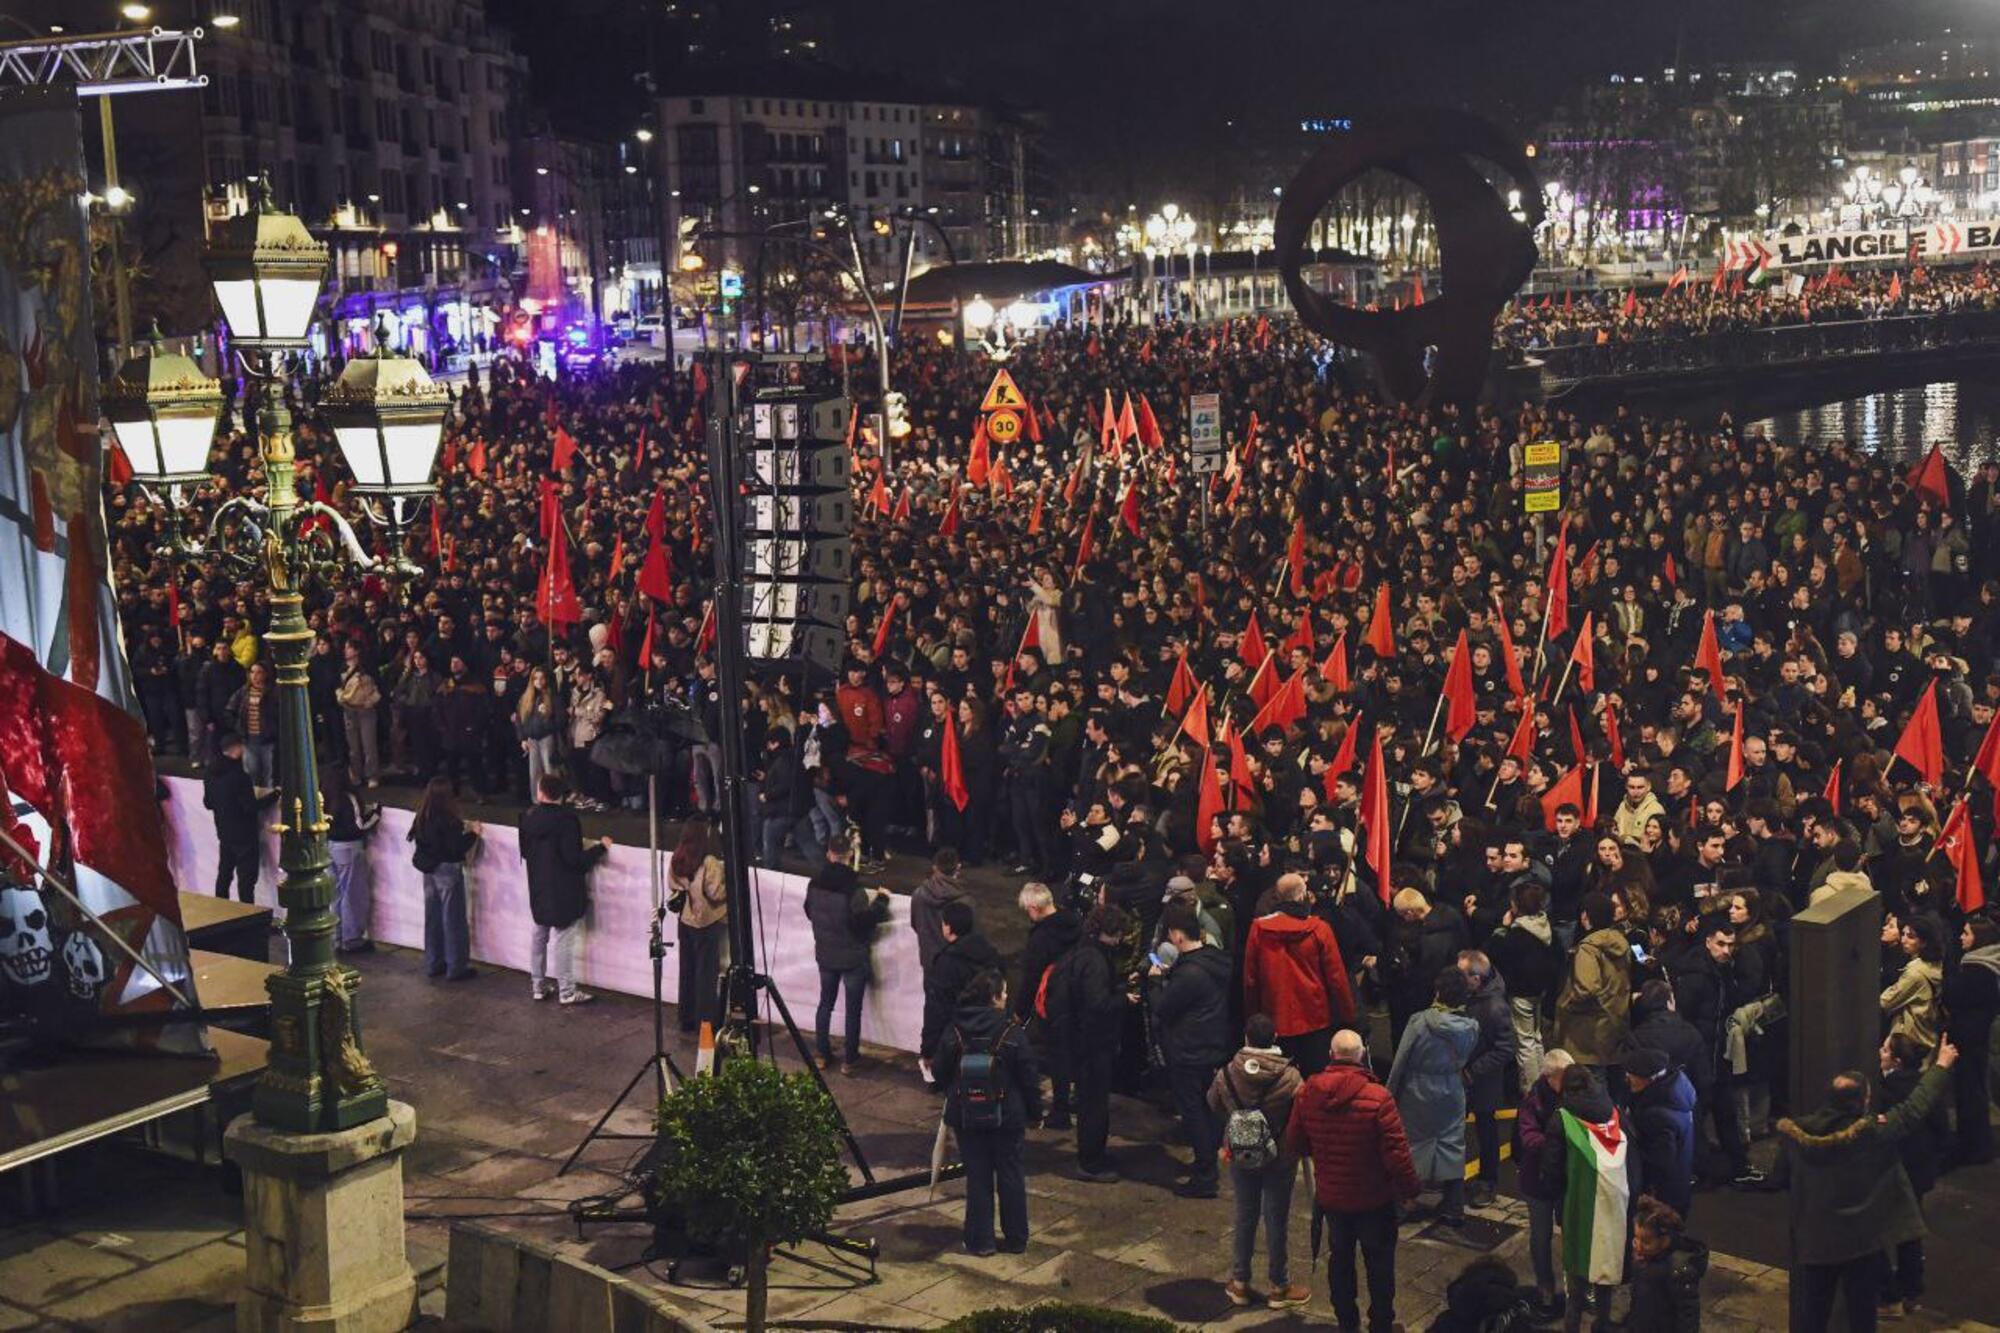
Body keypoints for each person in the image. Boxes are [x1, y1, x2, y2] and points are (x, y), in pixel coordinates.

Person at [1770, 1039, 1960, 1333]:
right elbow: (1914, 1108)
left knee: (1814, 1309)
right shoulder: (1871, 1135)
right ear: (1862, 1103)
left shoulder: (1796, 1136)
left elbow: (1779, 1179)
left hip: (1816, 1240)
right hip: (1861, 1243)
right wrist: (1941, 1066)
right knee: (1862, 1312)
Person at [1286, 1028, 1421, 1333]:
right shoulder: (1378, 1097)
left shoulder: (1308, 1092)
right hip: (1375, 1199)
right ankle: (1381, 1324)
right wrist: (1410, 1190)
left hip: (1333, 1198)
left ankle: (1347, 1323)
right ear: (1362, 1055)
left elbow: (1296, 1142)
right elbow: (1397, 1152)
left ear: (1331, 1055)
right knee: (1380, 1266)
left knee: (1340, 1262)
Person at [933, 968, 1040, 1257]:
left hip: (968, 1116)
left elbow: (939, 1072)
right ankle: (1016, 1238)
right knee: (1011, 1174)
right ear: (994, 998)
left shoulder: (955, 1029)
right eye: (1004, 993)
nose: (1007, 997)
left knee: (978, 1176)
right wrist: (1036, 1112)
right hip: (1008, 1116)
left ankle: (981, 1241)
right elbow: (1029, 1076)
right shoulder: (1011, 1032)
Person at [1208, 1012, 1308, 1310]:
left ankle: (1239, 1283)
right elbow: (1301, 1113)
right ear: (1274, 1038)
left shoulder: (1227, 1072)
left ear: (1247, 1038)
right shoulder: (1290, 1076)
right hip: (1279, 1155)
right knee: (1276, 1218)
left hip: (1240, 1152)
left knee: (1245, 1213)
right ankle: (1279, 1286)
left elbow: (1212, 1102)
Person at [1149, 898, 1235, 1198]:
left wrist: (1156, 984)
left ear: (1176, 935)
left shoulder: (1189, 974)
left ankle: (1205, 1173)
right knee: (1209, 1109)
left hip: (1188, 1050)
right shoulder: (1213, 960)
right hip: (1212, 1045)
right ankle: (1208, 1161)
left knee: (1194, 1112)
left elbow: (1164, 1008)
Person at [1539, 1065, 1631, 1333]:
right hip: (1613, 1206)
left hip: (1579, 1206)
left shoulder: (1562, 1118)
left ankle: (1573, 1326)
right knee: (1604, 1269)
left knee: (1576, 1276)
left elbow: (1552, 1171)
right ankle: (1601, 1324)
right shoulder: (1613, 1112)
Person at [1388, 965, 1481, 1226]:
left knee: (1412, 1145)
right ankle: (1453, 1205)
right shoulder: (1471, 1026)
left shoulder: (1420, 1021)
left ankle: (1404, 1203)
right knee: (1451, 1143)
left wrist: (1389, 1093)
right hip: (1451, 1088)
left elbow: (1401, 1060)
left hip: (1417, 1090)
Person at [1241, 871, 1357, 1077]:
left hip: (1274, 1018)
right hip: (1316, 1018)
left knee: (1278, 1081)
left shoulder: (1259, 929)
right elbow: (1337, 978)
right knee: (1316, 1079)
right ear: (1302, 895)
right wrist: (1348, 1017)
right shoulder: (1319, 929)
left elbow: (1251, 980)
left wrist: (1253, 1019)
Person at [1876, 1033, 1951, 1320]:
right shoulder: (1922, 1085)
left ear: (1894, 1060)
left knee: (1880, 1232)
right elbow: (1942, 1130)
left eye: (1884, 1049)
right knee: (1910, 1230)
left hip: (1894, 1170)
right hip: (1920, 1169)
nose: (1879, 1052)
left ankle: (1889, 1296)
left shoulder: (1883, 1090)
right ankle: (1912, 1290)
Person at [518, 773, 609, 1005]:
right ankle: (566, 990)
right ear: (561, 795)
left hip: (538, 887)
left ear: (540, 793)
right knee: (563, 939)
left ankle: (538, 985)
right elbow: (574, 860)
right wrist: (600, 848)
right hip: (564, 890)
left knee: (539, 935)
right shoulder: (567, 821)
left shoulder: (527, 818)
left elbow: (526, 852)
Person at [1057, 903, 1133, 1182]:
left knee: (1094, 1101)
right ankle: (1090, 1161)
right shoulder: (1095, 961)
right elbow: (1097, 1005)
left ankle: (1095, 1153)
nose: (1121, 939)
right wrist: (1123, 998)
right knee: (1093, 1104)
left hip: (1086, 1043)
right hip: (1091, 1046)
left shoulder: (1086, 952)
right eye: (1119, 934)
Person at [804, 840, 891, 1074]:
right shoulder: (854, 889)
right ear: (850, 854)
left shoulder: (814, 884)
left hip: (825, 953)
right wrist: (882, 900)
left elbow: (808, 911)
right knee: (853, 1011)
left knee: (825, 1004)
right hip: (852, 957)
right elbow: (863, 923)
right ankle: (850, 1060)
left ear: (828, 853)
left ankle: (822, 1054)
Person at [1515, 1048, 1577, 1324]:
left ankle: (1576, 1287)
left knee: (1573, 1235)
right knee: (1540, 1238)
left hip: (1564, 1180)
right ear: (1550, 1077)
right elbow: (1528, 1139)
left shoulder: (1574, 1094)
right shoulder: (1533, 1101)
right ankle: (1546, 1289)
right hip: (1538, 1181)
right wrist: (1558, 1142)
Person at [1012, 881, 1080, 1128]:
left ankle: (1060, 1110)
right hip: (1076, 998)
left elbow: (1031, 978)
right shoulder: (1074, 923)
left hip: (1052, 1002)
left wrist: (1020, 1011)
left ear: (1034, 908)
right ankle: (1077, 1097)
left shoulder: (1041, 938)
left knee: (1057, 1057)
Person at [1457, 949, 1518, 1206]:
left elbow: (1506, 1048)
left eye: (1461, 974)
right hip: (1466, 1076)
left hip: (1481, 1080)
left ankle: (1488, 1182)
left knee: (1486, 1130)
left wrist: (1473, 1071)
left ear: (1476, 978)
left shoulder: (1494, 1007)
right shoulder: (1473, 997)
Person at [408, 776, 479, 980]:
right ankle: (456, 966)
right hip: (447, 869)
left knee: (433, 917)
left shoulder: (422, 816)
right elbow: (456, 846)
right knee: (453, 918)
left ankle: (434, 962)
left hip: (429, 871)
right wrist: (473, 833)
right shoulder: (448, 819)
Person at [1552, 893, 1632, 1074]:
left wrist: (1565, 1003)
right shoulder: (1621, 942)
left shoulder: (1588, 949)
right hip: (1614, 1025)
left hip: (1588, 1033)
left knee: (1592, 1087)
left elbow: (1586, 988)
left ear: (1587, 916)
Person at [1942, 914, 2000, 1165]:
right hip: (1976, 1037)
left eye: (1966, 933)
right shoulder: (1987, 965)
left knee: (1970, 1093)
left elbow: (1953, 995)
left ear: (1979, 939)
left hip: (1970, 1039)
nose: (1961, 937)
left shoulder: (1977, 970)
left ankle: (1974, 1147)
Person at [922, 899, 1001, 1075]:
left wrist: (928, 1050)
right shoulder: (989, 953)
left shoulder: (946, 963)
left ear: (949, 928)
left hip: (958, 1039)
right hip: (988, 1034)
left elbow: (936, 1010)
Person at [667, 818, 728, 1033]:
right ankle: (706, 1022)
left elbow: (672, 885)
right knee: (706, 974)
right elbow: (716, 892)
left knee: (687, 970)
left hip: (685, 921)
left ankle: (686, 1018)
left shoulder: (677, 856)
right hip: (707, 923)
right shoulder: (709, 861)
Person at [1624, 1047, 1697, 1222]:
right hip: (1679, 1185)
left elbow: (1660, 1162)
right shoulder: (1677, 1087)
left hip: (1661, 1199)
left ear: (1648, 1079)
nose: (1627, 1078)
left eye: (1632, 1074)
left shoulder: (1657, 1116)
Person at [1623, 1198, 1708, 1333]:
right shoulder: (1642, 1259)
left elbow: (1687, 1313)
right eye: (1636, 1238)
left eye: (1646, 1241)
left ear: (1664, 1240)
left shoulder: (1678, 1269)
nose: (1638, 1246)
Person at [203, 733, 267, 903]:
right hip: (244, 836)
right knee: (246, 882)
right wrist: (274, 795)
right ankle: (247, 917)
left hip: (224, 832)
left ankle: (222, 912)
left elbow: (208, 803)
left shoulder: (210, 773)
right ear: (237, 748)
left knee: (224, 874)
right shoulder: (240, 777)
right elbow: (250, 807)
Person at [323, 761, 379, 952]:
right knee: (352, 894)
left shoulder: (325, 796)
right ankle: (352, 939)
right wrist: (376, 814)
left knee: (336, 894)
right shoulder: (349, 798)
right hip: (348, 848)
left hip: (329, 847)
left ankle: (336, 937)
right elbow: (359, 825)